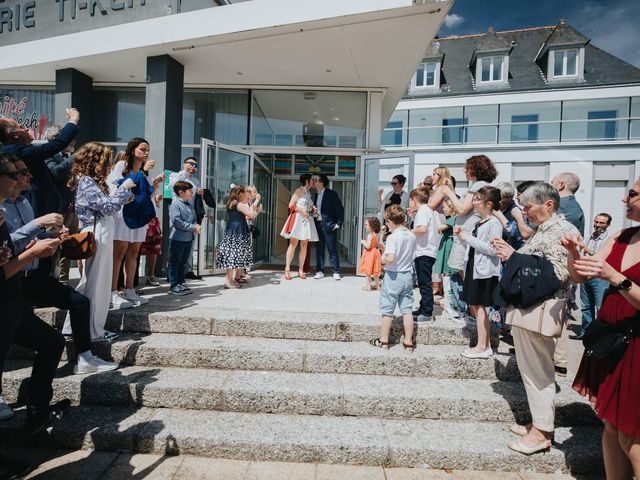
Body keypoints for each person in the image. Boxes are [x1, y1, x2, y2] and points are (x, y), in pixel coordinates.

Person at [3, 157, 119, 375]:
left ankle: (85, 357)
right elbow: (9, 243)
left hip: (34, 275)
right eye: (21, 173)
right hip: (12, 278)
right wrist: (37, 224)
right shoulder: (3, 207)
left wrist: (51, 234)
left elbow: (29, 239)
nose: (29, 176)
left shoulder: (25, 202)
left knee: (80, 302)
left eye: (27, 171)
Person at [492, 182, 579, 455]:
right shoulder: (546, 229)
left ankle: (541, 433)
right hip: (530, 309)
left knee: (538, 373)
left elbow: (557, 273)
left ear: (549, 204)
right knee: (532, 372)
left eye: (528, 207)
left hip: (541, 310)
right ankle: (538, 423)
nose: (525, 212)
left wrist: (513, 256)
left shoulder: (563, 231)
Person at [564, 178, 640, 479]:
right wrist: (573, 254)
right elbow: (582, 276)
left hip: (636, 344)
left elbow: (609, 275)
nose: (625, 199)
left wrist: (614, 277)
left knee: (632, 435)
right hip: (612, 340)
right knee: (610, 424)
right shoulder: (622, 236)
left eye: (632, 194)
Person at [0, 154, 65, 436]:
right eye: (16, 175)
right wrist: (30, 254)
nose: (22, 179)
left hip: (14, 299)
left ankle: (37, 411)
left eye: (23, 173)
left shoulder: (13, 207)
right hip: (5, 301)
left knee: (52, 342)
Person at [62, 143, 135, 341]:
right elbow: (107, 207)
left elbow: (105, 205)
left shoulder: (88, 181)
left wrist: (122, 195)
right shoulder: (87, 181)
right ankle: (94, 331)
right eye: (107, 160)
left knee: (88, 283)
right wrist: (123, 189)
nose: (110, 164)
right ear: (97, 161)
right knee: (98, 285)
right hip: (98, 232)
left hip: (99, 230)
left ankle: (72, 328)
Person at [442, 155, 498, 320]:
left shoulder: (479, 185)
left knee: (466, 274)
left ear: (476, 168)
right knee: (464, 273)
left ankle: (473, 315)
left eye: (467, 167)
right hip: (467, 234)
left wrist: (448, 192)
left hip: (467, 235)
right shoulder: (479, 185)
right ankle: (473, 313)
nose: (464, 170)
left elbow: (461, 209)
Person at [111, 138, 165, 308]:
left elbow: (146, 195)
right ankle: (113, 292)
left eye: (147, 150)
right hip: (124, 214)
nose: (146, 153)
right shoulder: (121, 166)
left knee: (134, 253)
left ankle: (129, 290)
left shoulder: (142, 171)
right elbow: (113, 187)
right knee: (119, 253)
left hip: (140, 216)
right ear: (132, 149)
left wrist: (155, 184)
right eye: (142, 149)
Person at [0, 108, 80, 218]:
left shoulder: (20, 149)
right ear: (14, 134)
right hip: (37, 210)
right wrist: (73, 119)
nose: (27, 129)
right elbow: (56, 144)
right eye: (21, 127)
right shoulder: (16, 151)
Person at [453, 186, 503, 358]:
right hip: (474, 267)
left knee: (480, 307)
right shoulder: (479, 221)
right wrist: (463, 237)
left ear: (489, 204)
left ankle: (482, 346)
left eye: (477, 199)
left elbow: (493, 249)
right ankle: (484, 344)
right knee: (475, 306)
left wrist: (468, 238)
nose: (473, 202)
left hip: (485, 271)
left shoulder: (494, 223)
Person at [551, 172, 585, 375]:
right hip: (563, 266)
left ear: (561, 184)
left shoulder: (566, 208)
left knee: (558, 312)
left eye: (552, 183)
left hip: (560, 268)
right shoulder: (573, 207)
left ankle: (559, 359)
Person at [370, 205, 416, 352]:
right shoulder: (411, 235)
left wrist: (381, 259)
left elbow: (390, 258)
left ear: (390, 221)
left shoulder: (393, 237)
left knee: (387, 310)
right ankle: (408, 342)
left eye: (386, 221)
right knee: (407, 309)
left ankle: (384, 341)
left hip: (393, 275)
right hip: (407, 275)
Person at [44, 125, 78, 283]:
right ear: (54, 139)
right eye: (67, 137)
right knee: (54, 248)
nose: (72, 141)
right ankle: (51, 282)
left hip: (71, 210)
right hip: (56, 212)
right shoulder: (48, 155)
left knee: (68, 247)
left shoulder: (66, 157)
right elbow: (55, 173)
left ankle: (64, 282)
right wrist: (74, 158)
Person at [572, 213, 613, 340]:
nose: (598, 225)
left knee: (600, 307)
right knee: (586, 307)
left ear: (608, 225)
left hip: (599, 278)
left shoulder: (609, 240)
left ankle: (601, 336)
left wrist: (588, 250)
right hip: (586, 276)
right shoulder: (590, 236)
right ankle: (586, 333)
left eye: (602, 223)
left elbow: (606, 259)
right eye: (596, 222)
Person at [169, 157, 204, 280]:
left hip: (191, 211)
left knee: (189, 242)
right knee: (177, 242)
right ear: (184, 164)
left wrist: (200, 193)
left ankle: (187, 270)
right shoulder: (175, 175)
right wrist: (185, 172)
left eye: (196, 165)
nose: (194, 166)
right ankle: (172, 275)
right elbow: (174, 185)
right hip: (179, 210)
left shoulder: (196, 181)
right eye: (191, 164)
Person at [217, 186, 257, 288]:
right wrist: (255, 206)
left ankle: (230, 280)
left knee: (231, 255)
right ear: (240, 194)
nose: (246, 196)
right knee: (234, 256)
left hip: (232, 230)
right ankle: (228, 281)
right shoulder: (239, 205)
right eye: (245, 194)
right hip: (238, 231)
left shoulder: (232, 203)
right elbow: (251, 215)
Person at [280, 174, 318, 280]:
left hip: (306, 221)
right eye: (312, 180)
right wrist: (301, 210)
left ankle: (301, 269)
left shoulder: (309, 193)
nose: (313, 182)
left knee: (304, 244)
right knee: (293, 244)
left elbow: (309, 207)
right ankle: (287, 269)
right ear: (307, 181)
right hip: (298, 219)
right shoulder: (298, 191)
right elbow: (291, 205)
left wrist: (313, 210)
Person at [410, 186, 438, 324]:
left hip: (424, 252)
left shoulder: (422, 211)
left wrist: (409, 232)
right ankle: (422, 308)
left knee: (424, 283)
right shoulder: (427, 211)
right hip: (427, 251)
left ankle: (426, 312)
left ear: (414, 200)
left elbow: (422, 229)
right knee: (423, 282)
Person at [168, 181, 201, 295]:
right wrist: (193, 227)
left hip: (188, 238)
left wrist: (196, 225)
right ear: (181, 192)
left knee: (183, 262)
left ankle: (181, 282)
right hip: (178, 238)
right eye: (190, 191)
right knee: (175, 262)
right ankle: (174, 285)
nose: (192, 193)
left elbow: (195, 219)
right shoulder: (175, 204)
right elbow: (177, 222)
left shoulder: (190, 205)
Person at [312, 174, 344, 280]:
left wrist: (338, 223)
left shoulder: (331, 194)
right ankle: (320, 271)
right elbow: (318, 210)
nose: (315, 183)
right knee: (319, 249)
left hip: (329, 225)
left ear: (322, 183)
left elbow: (339, 208)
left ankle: (336, 271)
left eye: (317, 181)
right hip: (318, 224)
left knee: (332, 249)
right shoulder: (316, 195)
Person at [434, 198, 459, 320]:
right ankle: (447, 301)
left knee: (448, 274)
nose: (443, 209)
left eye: (445, 207)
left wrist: (435, 215)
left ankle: (449, 303)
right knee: (446, 275)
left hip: (449, 247)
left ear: (452, 208)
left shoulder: (453, 219)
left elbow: (440, 227)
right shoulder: (453, 219)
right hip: (447, 244)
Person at [140, 192, 164, 286]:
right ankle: (132, 281)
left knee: (154, 249)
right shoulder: (138, 181)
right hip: (140, 218)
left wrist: (157, 201)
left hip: (153, 219)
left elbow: (156, 205)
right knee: (135, 251)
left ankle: (151, 275)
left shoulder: (152, 183)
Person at [494, 182, 525, 250]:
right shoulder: (494, 208)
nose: (498, 201)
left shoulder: (516, 211)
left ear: (510, 197)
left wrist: (499, 215)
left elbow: (515, 235)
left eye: (501, 198)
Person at [359, 216, 382, 291]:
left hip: (370, 254)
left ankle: (368, 286)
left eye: (366, 225)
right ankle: (377, 286)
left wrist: (363, 242)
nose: (365, 226)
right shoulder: (376, 235)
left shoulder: (370, 235)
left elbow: (368, 246)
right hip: (375, 252)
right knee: (375, 271)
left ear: (371, 226)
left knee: (368, 271)